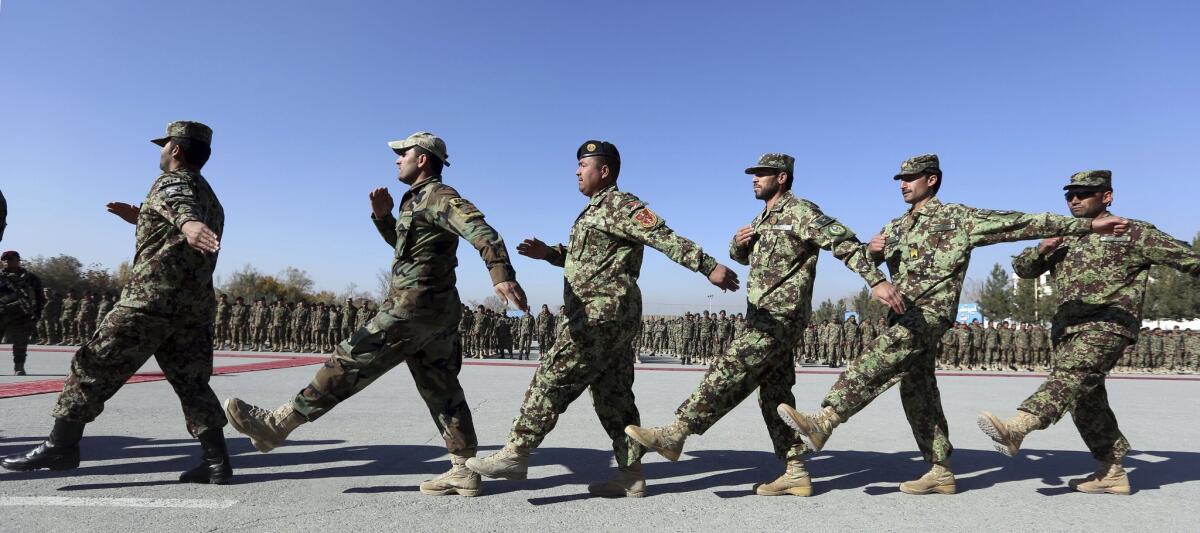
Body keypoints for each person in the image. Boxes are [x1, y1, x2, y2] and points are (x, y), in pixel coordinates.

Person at [776, 154, 1128, 495]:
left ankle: (826, 419)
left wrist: (1084, 225)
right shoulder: (896, 226)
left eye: (910, 179)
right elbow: (870, 260)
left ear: (931, 180)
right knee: (918, 391)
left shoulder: (959, 217)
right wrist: (875, 250)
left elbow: (1020, 223)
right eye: (900, 180)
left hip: (930, 312)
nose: (903, 186)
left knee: (883, 354)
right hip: (901, 314)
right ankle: (939, 469)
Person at [222, 131, 528, 498]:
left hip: (412, 308)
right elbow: (408, 251)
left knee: (348, 360)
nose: (398, 159)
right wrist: (383, 219)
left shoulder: (441, 197)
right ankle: (463, 469)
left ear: (424, 159)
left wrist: (501, 274)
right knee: (441, 387)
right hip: (436, 312)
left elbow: (483, 232)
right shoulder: (413, 202)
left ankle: (278, 424)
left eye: (404, 153)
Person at [466, 140, 740, 498]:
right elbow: (589, 260)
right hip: (606, 315)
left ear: (604, 170)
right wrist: (549, 253)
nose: (577, 172)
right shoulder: (592, 212)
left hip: (602, 314)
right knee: (614, 398)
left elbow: (663, 236)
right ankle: (630, 474)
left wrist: (709, 267)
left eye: (583, 165)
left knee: (553, 376)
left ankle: (516, 452)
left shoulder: (623, 206)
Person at [624, 153, 904, 497]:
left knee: (732, 367)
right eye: (754, 174)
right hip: (761, 315)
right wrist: (738, 244)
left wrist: (875, 281)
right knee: (775, 396)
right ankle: (795, 470)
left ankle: (676, 432)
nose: (755, 179)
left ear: (782, 178)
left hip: (781, 317)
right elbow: (742, 257)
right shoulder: (761, 220)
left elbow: (844, 243)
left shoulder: (801, 212)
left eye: (762, 174)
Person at [2, 121, 232, 484]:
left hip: (149, 302)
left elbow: (181, 207)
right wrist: (140, 218)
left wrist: (188, 224)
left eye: (164, 145)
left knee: (91, 364)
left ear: (175, 150)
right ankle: (217, 461)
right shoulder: (211, 196)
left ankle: (61, 445)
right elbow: (176, 225)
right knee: (192, 383)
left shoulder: (171, 183)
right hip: (192, 308)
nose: (160, 151)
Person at [977, 170, 1200, 495]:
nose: (1075, 200)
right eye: (1070, 195)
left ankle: (1018, 426)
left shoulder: (1134, 232)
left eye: (1083, 193)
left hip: (1110, 324)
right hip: (1068, 331)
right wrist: (1042, 248)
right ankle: (1111, 470)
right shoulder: (1065, 235)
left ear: (1106, 196)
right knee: (1083, 397)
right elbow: (1023, 270)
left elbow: (1190, 259)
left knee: (1072, 374)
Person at [0, 250, 46, 375]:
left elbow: (40, 297)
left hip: (21, 315)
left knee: (20, 343)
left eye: (10, 259)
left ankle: (19, 367)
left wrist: (37, 313)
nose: (7, 262)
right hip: (1, 314)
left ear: (18, 260)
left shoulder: (31, 278)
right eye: (5, 260)